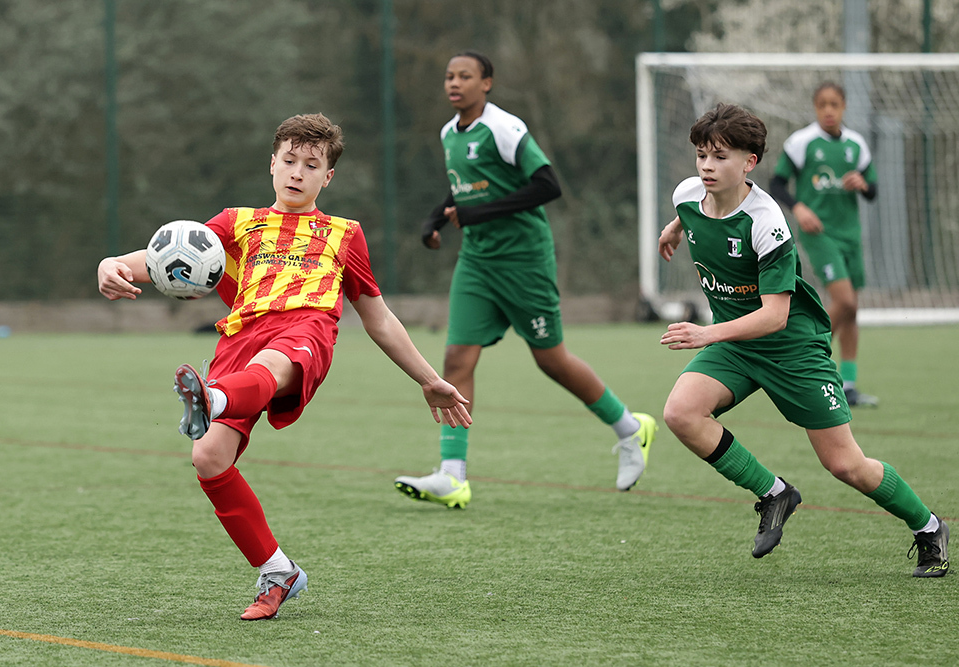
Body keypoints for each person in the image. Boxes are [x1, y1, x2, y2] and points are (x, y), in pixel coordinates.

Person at [97, 113, 473, 620]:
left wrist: (430, 380)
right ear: (272, 163)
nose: (298, 172)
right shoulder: (237, 222)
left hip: (305, 332)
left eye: (311, 164)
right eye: (289, 160)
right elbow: (169, 254)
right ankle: (278, 570)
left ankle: (213, 399)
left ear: (328, 176)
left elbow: (378, 317)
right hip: (240, 338)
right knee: (208, 457)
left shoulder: (345, 234)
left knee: (273, 367)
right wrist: (112, 264)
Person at [657, 102, 947, 577]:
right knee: (681, 413)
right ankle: (775, 493)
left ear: (749, 163)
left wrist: (707, 333)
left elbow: (774, 316)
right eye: (702, 155)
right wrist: (673, 231)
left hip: (790, 348)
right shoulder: (689, 193)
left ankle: (929, 526)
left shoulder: (766, 222)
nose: (708, 166)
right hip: (736, 346)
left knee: (846, 465)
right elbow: (687, 213)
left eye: (721, 157)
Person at [393, 50, 656, 509]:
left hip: (524, 261)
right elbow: (464, 187)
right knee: (456, 358)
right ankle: (452, 475)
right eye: (449, 76)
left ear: (487, 83)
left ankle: (630, 428)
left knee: (551, 360)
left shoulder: (505, 128)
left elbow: (548, 185)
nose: (454, 84)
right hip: (477, 262)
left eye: (466, 76)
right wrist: (434, 219)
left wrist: (475, 212)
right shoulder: (448, 133)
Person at [769, 82, 878, 407]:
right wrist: (799, 208)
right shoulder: (802, 142)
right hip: (819, 234)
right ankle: (801, 361)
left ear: (843, 107)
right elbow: (776, 183)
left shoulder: (856, 145)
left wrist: (862, 184)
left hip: (850, 235)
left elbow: (873, 190)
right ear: (816, 108)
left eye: (834, 104)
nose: (828, 110)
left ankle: (849, 384)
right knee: (844, 302)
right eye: (822, 105)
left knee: (852, 311)